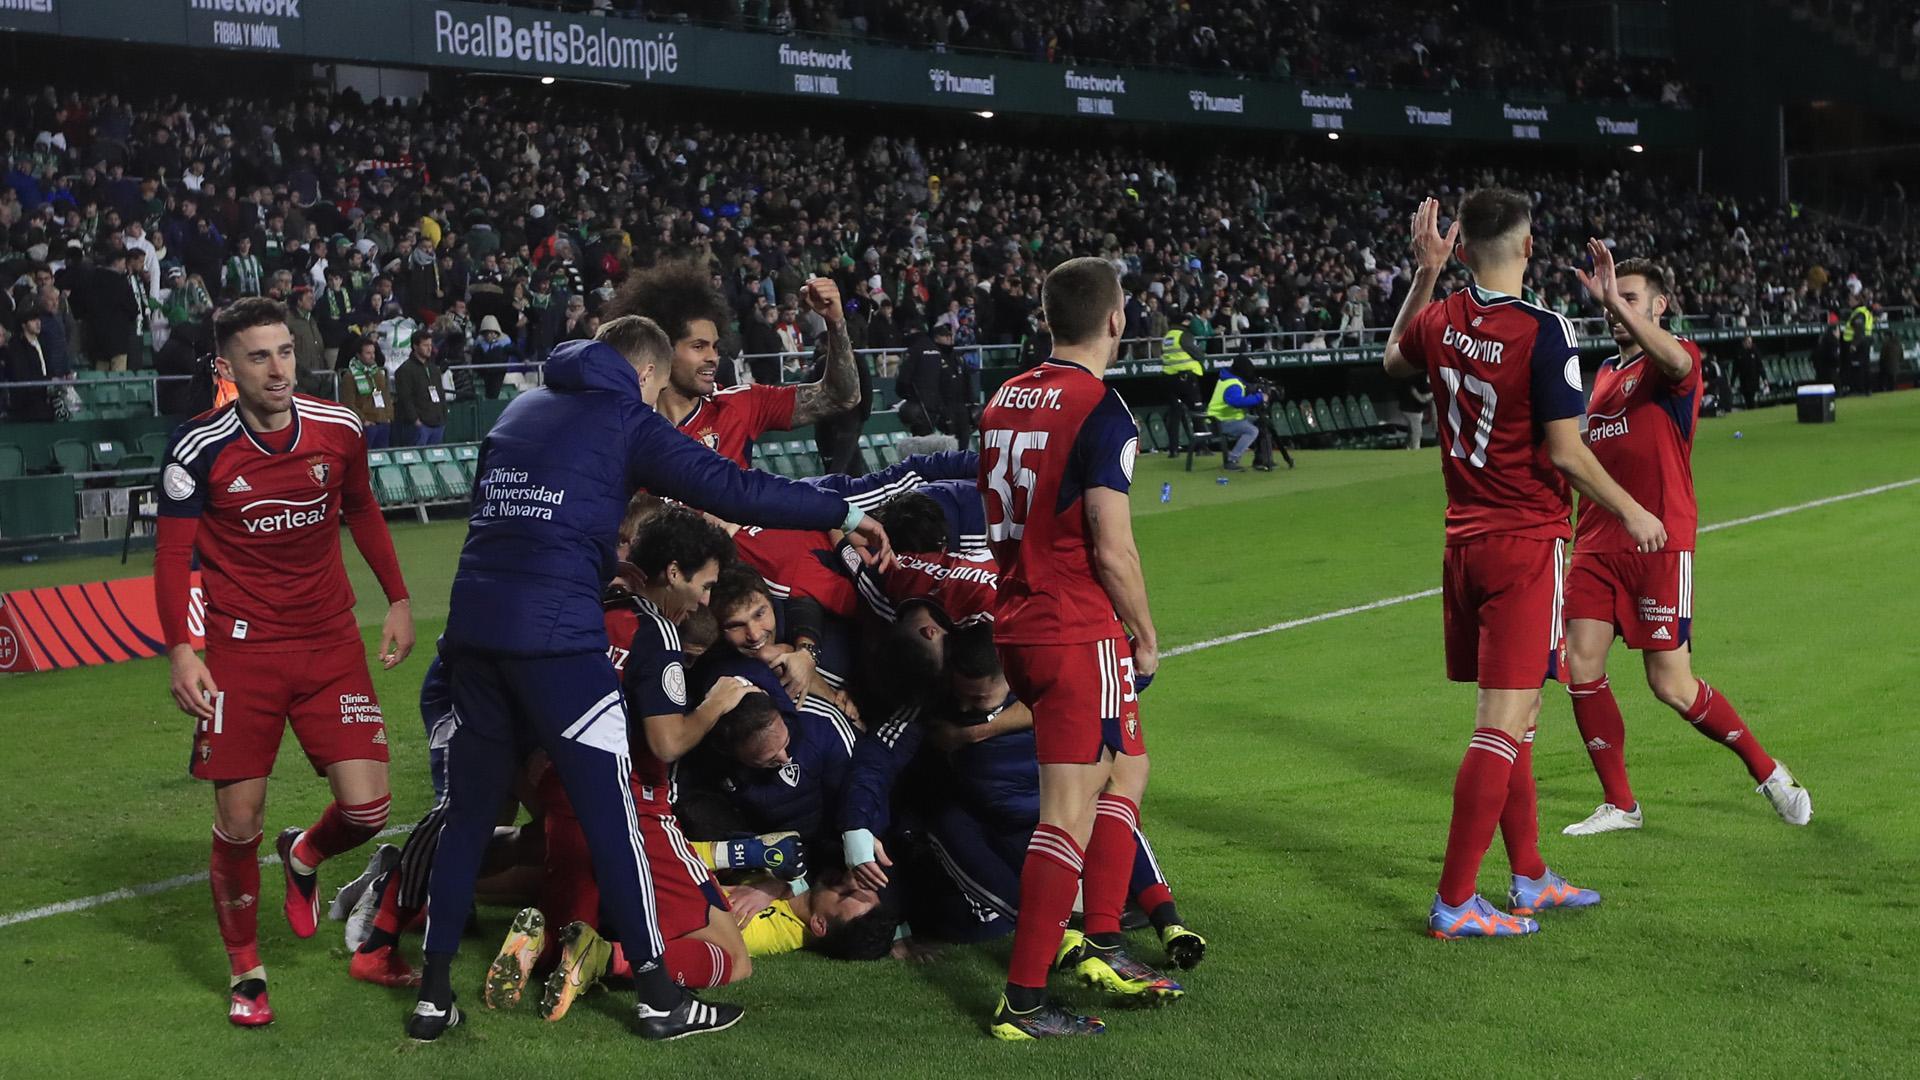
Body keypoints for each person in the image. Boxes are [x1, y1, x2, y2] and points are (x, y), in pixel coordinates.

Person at [414, 315, 892, 1043]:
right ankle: (660, 998)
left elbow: (494, 513)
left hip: (473, 630)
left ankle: (431, 997)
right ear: (644, 374)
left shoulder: (520, 409)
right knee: (618, 824)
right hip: (555, 638)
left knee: (471, 818)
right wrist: (842, 509)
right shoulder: (625, 416)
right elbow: (736, 490)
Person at [1382, 192, 1666, 940]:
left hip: (1464, 543)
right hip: (1524, 544)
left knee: (1522, 717)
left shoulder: (1441, 318)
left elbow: (1390, 356)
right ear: (1530, 246)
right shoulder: (1545, 330)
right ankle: (1454, 901)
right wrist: (1633, 510)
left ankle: (1531, 876)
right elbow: (1566, 451)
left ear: (1463, 248)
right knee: (1500, 726)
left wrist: (1424, 275)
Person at [152, 297, 414, 1026]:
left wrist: (396, 599)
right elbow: (173, 556)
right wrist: (183, 647)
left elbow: (361, 508)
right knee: (239, 822)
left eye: (286, 351)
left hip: (330, 643)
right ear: (227, 369)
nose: (278, 367)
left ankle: (303, 853)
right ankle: (247, 969)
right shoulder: (197, 448)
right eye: (259, 355)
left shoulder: (338, 428)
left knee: (368, 811)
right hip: (241, 654)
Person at [976, 256, 1178, 1040]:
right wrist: (1146, 636)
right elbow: (1111, 544)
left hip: (1019, 619)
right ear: (1116, 320)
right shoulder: (1101, 407)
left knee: (1128, 764)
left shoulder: (1004, 397)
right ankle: (1023, 1002)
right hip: (1074, 624)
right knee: (1066, 813)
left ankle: (1101, 939)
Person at [1560, 248, 1811, 836]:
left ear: (1659, 305)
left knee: (1669, 684)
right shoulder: (1602, 377)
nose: (1615, 310)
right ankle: (1620, 803)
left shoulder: (1676, 362)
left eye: (1629, 299)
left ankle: (1769, 771)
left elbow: (1670, 357)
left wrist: (1608, 297)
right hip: (1596, 542)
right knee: (1581, 667)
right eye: (1610, 299)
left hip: (1658, 544)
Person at [493, 507, 762, 1017]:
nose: (705, 600)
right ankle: (609, 962)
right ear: (674, 572)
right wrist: (717, 702)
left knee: (578, 918)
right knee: (732, 955)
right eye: (703, 586)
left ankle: (545, 949)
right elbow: (665, 743)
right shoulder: (657, 633)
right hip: (633, 807)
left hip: (563, 791)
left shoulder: (585, 607)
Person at [605, 261, 860, 468]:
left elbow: (841, 396)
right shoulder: (625, 427)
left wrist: (835, 323)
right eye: (698, 346)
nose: (712, 357)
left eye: (715, 347)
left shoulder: (740, 405)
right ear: (662, 350)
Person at [1204, 356, 1268, 471]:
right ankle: (1232, 460)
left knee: (1261, 421)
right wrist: (1259, 397)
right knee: (1252, 430)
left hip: (1228, 418)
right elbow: (1237, 402)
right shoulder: (1233, 383)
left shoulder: (1228, 378)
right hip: (1219, 421)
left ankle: (1260, 459)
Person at [1159, 310, 1204, 457]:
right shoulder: (1184, 335)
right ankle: (1201, 447)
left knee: (1175, 414)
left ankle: (1173, 450)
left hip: (1169, 379)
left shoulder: (1167, 337)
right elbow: (1197, 353)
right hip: (1186, 378)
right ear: (1184, 322)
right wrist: (1201, 355)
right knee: (1197, 411)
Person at [391, 334, 448, 447]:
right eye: (425, 345)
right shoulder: (405, 370)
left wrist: (443, 416)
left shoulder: (433, 368)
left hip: (437, 423)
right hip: (419, 425)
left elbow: (440, 393)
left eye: (430, 345)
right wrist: (415, 420)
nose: (429, 348)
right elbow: (405, 398)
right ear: (415, 347)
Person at [1397, 371, 1433, 449]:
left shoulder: (1421, 378)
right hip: (1412, 409)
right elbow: (1422, 399)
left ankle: (1408, 447)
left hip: (1413, 409)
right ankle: (1415, 449)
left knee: (1412, 430)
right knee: (1417, 431)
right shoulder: (1418, 378)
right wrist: (1432, 393)